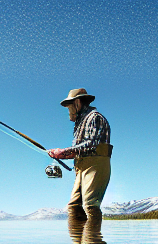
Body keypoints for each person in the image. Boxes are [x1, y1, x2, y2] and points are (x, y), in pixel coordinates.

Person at [47, 88, 112, 226]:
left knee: (90, 205)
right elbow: (80, 150)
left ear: (77, 103)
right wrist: (61, 154)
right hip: (82, 166)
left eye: (69, 107)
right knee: (74, 207)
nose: (68, 111)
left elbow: (91, 144)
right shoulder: (80, 122)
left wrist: (63, 151)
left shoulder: (95, 117)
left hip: (96, 164)